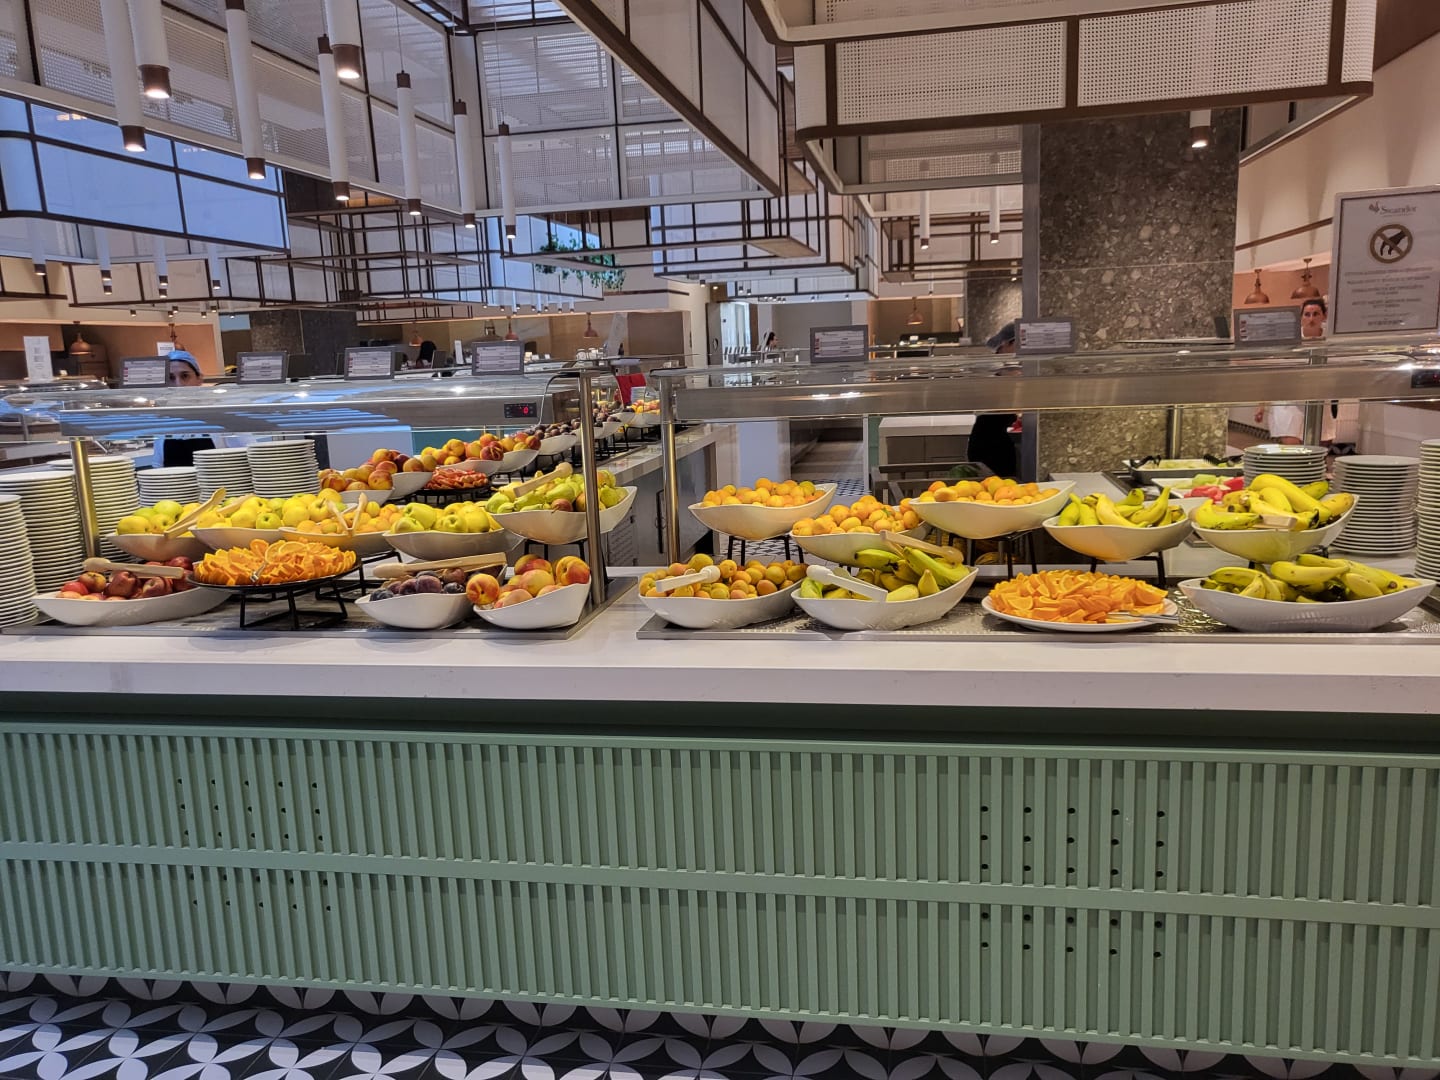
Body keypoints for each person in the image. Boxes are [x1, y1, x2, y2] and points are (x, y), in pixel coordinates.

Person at [1257, 297, 1331, 445]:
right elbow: (1273, 372)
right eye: (1307, 314)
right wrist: (1261, 405)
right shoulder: (1290, 339)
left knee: (1319, 448)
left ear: (1324, 316)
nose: (1311, 319)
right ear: (1301, 317)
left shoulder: (1330, 339)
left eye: (1316, 314)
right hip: (1288, 400)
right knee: (1292, 446)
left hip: (1319, 399)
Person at [967, 322, 1020, 478]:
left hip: (994, 437)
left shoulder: (1009, 368)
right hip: (990, 439)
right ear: (1010, 343)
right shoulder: (997, 368)